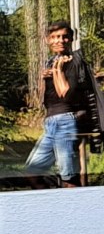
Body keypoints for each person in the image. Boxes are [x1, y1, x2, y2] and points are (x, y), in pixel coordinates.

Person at [25, 21, 84, 188]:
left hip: (65, 120)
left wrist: (58, 69)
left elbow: (65, 93)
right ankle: (51, 208)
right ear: (47, 40)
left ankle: (74, 211)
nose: (60, 40)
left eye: (64, 37)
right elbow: (43, 97)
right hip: (51, 121)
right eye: (55, 37)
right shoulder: (51, 61)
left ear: (71, 38)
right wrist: (44, 77)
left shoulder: (73, 62)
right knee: (32, 172)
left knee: (68, 178)